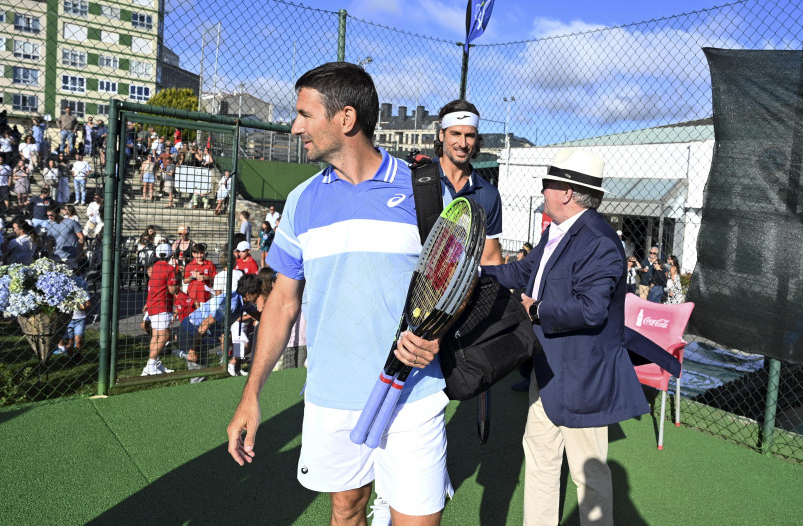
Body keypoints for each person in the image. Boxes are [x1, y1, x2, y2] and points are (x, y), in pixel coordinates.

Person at [227, 61, 450, 526]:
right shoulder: (301, 202)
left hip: (414, 395)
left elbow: (458, 285)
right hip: (333, 397)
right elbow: (282, 303)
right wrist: (251, 394)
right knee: (345, 511)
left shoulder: (424, 190)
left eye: (306, 114)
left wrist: (437, 335)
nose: (295, 127)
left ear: (345, 119)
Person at [480, 150, 649, 526]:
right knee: (540, 460)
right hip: (548, 370)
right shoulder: (556, 232)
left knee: (588, 475)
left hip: (583, 380)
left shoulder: (600, 241)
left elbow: (591, 310)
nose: (543, 191)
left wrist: (536, 310)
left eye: (547, 184)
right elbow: (522, 272)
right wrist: (476, 274)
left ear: (567, 192)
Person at [433, 99, 504, 265]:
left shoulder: (489, 194)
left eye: (470, 135)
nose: (463, 144)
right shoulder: (418, 180)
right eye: (456, 134)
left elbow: (490, 258)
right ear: (442, 135)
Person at [176, 271, 261, 383]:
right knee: (198, 374)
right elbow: (205, 324)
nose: (259, 295)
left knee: (202, 371)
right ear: (248, 294)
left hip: (202, 334)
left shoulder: (245, 302)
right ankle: (194, 396)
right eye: (257, 293)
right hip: (193, 330)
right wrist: (193, 349)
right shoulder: (230, 304)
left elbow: (260, 316)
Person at [141, 243, 178, 376]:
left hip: (153, 304)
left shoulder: (155, 266)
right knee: (165, 335)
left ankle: (155, 363)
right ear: (170, 255)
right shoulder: (169, 269)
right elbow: (171, 289)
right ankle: (150, 365)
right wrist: (177, 284)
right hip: (162, 304)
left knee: (156, 335)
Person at [52, 276, 92, 364]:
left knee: (78, 339)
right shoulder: (65, 293)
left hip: (80, 319)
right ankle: (70, 357)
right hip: (69, 319)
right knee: (70, 340)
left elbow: (88, 303)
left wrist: (82, 306)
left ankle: (77, 354)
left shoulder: (83, 292)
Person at [183, 243, 217, 307]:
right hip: (192, 296)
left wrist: (206, 278)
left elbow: (217, 278)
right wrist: (193, 277)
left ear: (204, 253)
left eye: (201, 253)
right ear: (193, 254)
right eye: (197, 253)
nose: (200, 255)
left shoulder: (209, 264)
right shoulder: (189, 265)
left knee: (204, 315)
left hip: (205, 297)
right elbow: (185, 281)